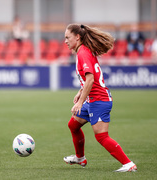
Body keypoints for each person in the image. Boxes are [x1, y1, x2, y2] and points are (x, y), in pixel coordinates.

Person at [63, 24, 137, 172]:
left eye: (67, 37)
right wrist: (81, 91)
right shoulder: (83, 51)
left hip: (99, 101)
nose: (65, 41)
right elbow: (89, 80)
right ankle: (80, 158)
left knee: (101, 136)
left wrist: (80, 103)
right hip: (93, 100)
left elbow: (90, 80)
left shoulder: (83, 53)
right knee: (73, 125)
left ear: (77, 37)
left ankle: (128, 164)